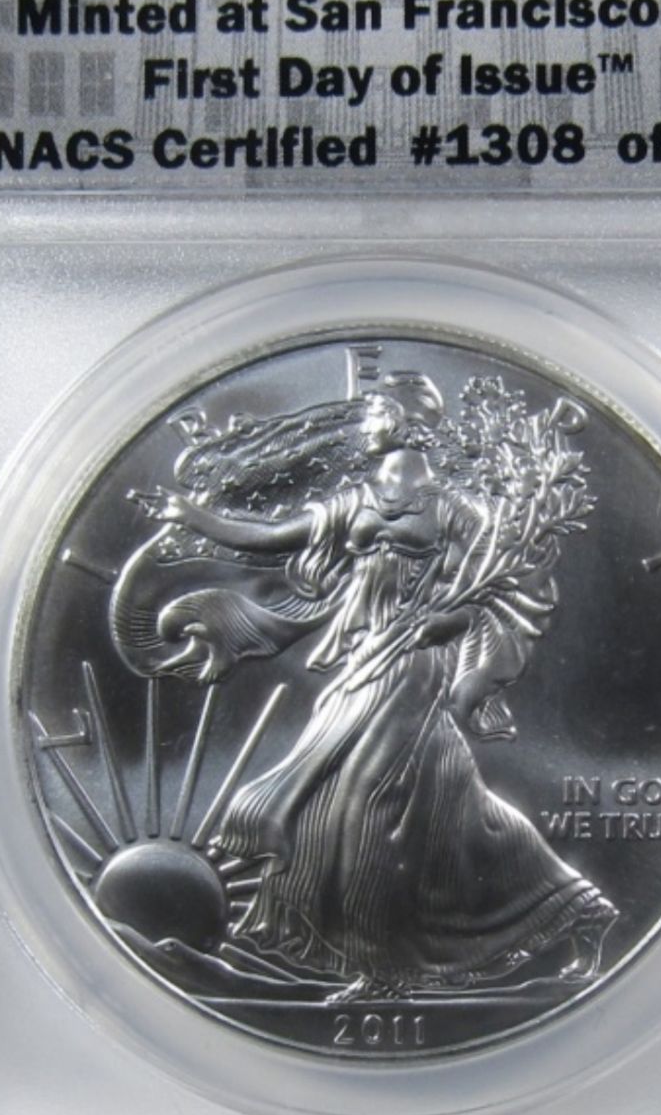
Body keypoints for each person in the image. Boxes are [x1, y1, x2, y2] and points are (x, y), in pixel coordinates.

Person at [155, 373, 617, 998]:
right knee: (451, 809)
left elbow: (508, 583)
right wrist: (196, 517)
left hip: (414, 666)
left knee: (365, 803)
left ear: (403, 421)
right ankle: (577, 908)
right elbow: (271, 539)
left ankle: (384, 969)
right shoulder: (357, 500)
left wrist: (448, 621)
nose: (366, 422)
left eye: (375, 411)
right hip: (365, 656)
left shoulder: (452, 509)